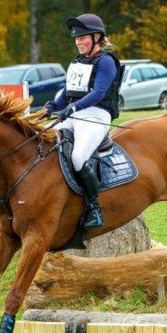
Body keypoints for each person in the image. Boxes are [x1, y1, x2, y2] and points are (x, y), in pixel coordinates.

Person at [42, 13, 122, 229]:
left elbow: (98, 93)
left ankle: (94, 208)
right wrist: (51, 107)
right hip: (73, 113)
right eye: (76, 38)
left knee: (78, 157)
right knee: (41, 142)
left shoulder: (106, 62)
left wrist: (73, 108)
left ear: (97, 37)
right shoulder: (77, 61)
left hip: (97, 115)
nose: (78, 42)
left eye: (83, 37)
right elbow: (68, 93)